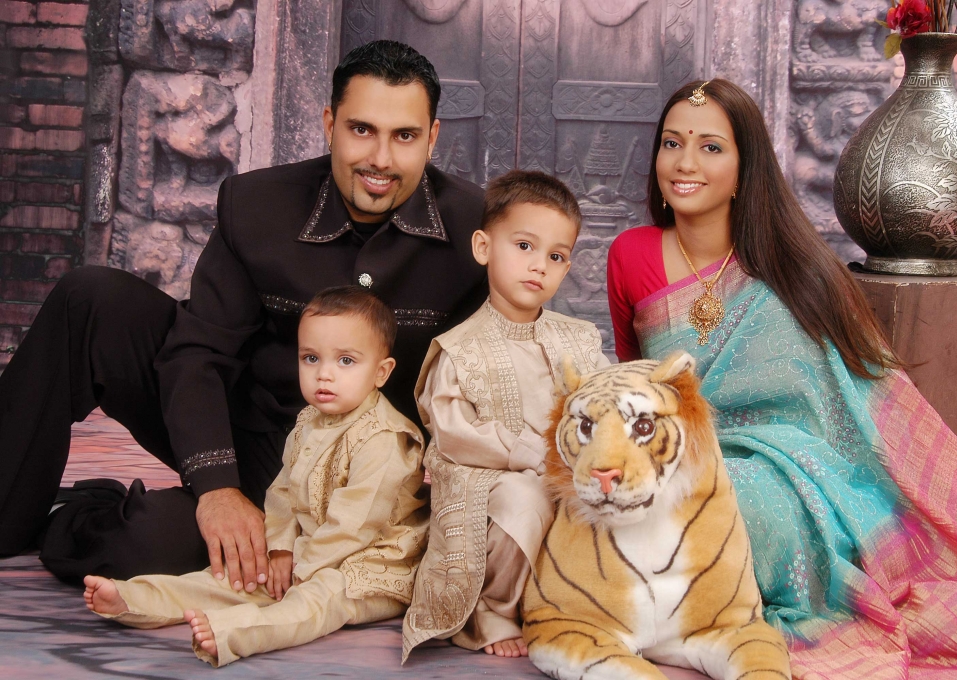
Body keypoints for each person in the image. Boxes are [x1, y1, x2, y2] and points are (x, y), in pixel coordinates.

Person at [0, 40, 488, 590]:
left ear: (432, 137)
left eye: (404, 136)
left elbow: (500, 373)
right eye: (361, 130)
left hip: (363, 480)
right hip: (250, 442)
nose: (381, 158)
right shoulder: (257, 204)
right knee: (89, 297)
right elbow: (198, 353)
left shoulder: (479, 230)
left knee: (141, 544)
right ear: (330, 124)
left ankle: (83, 510)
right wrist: (216, 486)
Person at [606, 78, 957, 678]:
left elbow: (854, 401)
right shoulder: (631, 253)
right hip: (674, 455)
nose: (685, 163)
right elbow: (633, 380)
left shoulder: (791, 269)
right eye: (672, 143)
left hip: (783, 476)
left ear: (745, 169)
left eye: (710, 147)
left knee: (731, 507)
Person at [82, 286, 428, 667]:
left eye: (346, 361)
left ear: (381, 372)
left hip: (372, 566)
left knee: (319, 599)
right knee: (240, 577)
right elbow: (282, 492)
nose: (324, 374)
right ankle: (137, 599)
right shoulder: (308, 422)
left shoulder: (385, 439)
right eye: (311, 358)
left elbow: (353, 526)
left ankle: (235, 633)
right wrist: (279, 550)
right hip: (309, 552)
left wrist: (301, 568)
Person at [401, 171, 609, 660]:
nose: (539, 266)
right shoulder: (460, 349)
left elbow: (604, 404)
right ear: (483, 247)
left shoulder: (580, 340)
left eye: (555, 256)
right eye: (524, 246)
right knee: (526, 499)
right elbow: (454, 432)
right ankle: (492, 609)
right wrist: (528, 455)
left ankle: (570, 606)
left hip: (564, 470)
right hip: (489, 480)